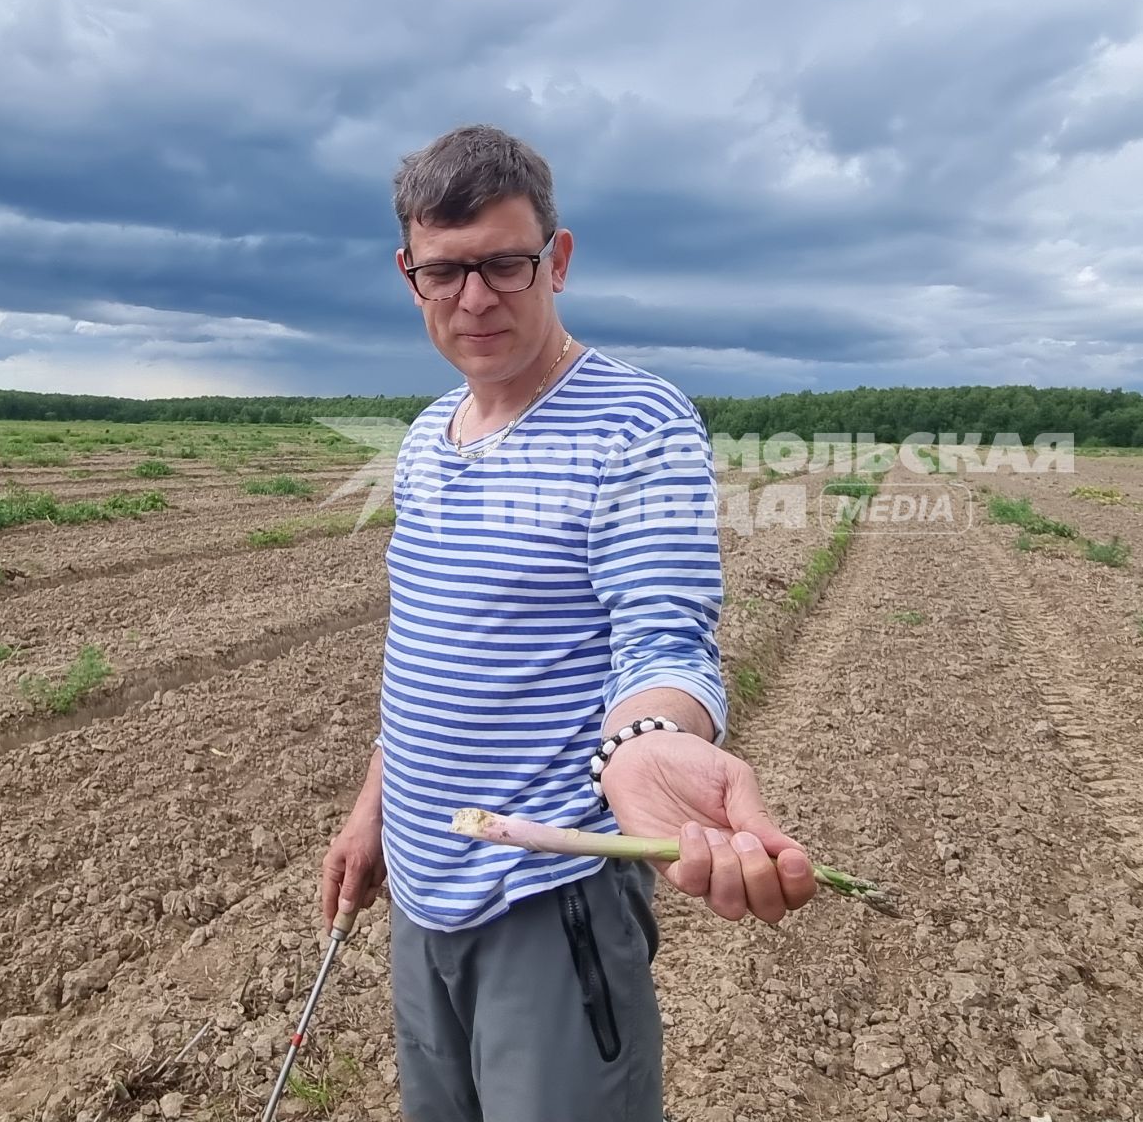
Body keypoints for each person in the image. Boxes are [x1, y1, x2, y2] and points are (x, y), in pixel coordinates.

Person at [319, 123, 818, 1121]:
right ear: (407, 273)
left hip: (547, 897)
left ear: (559, 257)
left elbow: (663, 629)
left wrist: (650, 739)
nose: (475, 298)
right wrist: (377, 803)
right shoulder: (425, 437)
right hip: (421, 885)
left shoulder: (636, 424)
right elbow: (427, 649)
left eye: (505, 263)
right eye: (443, 271)